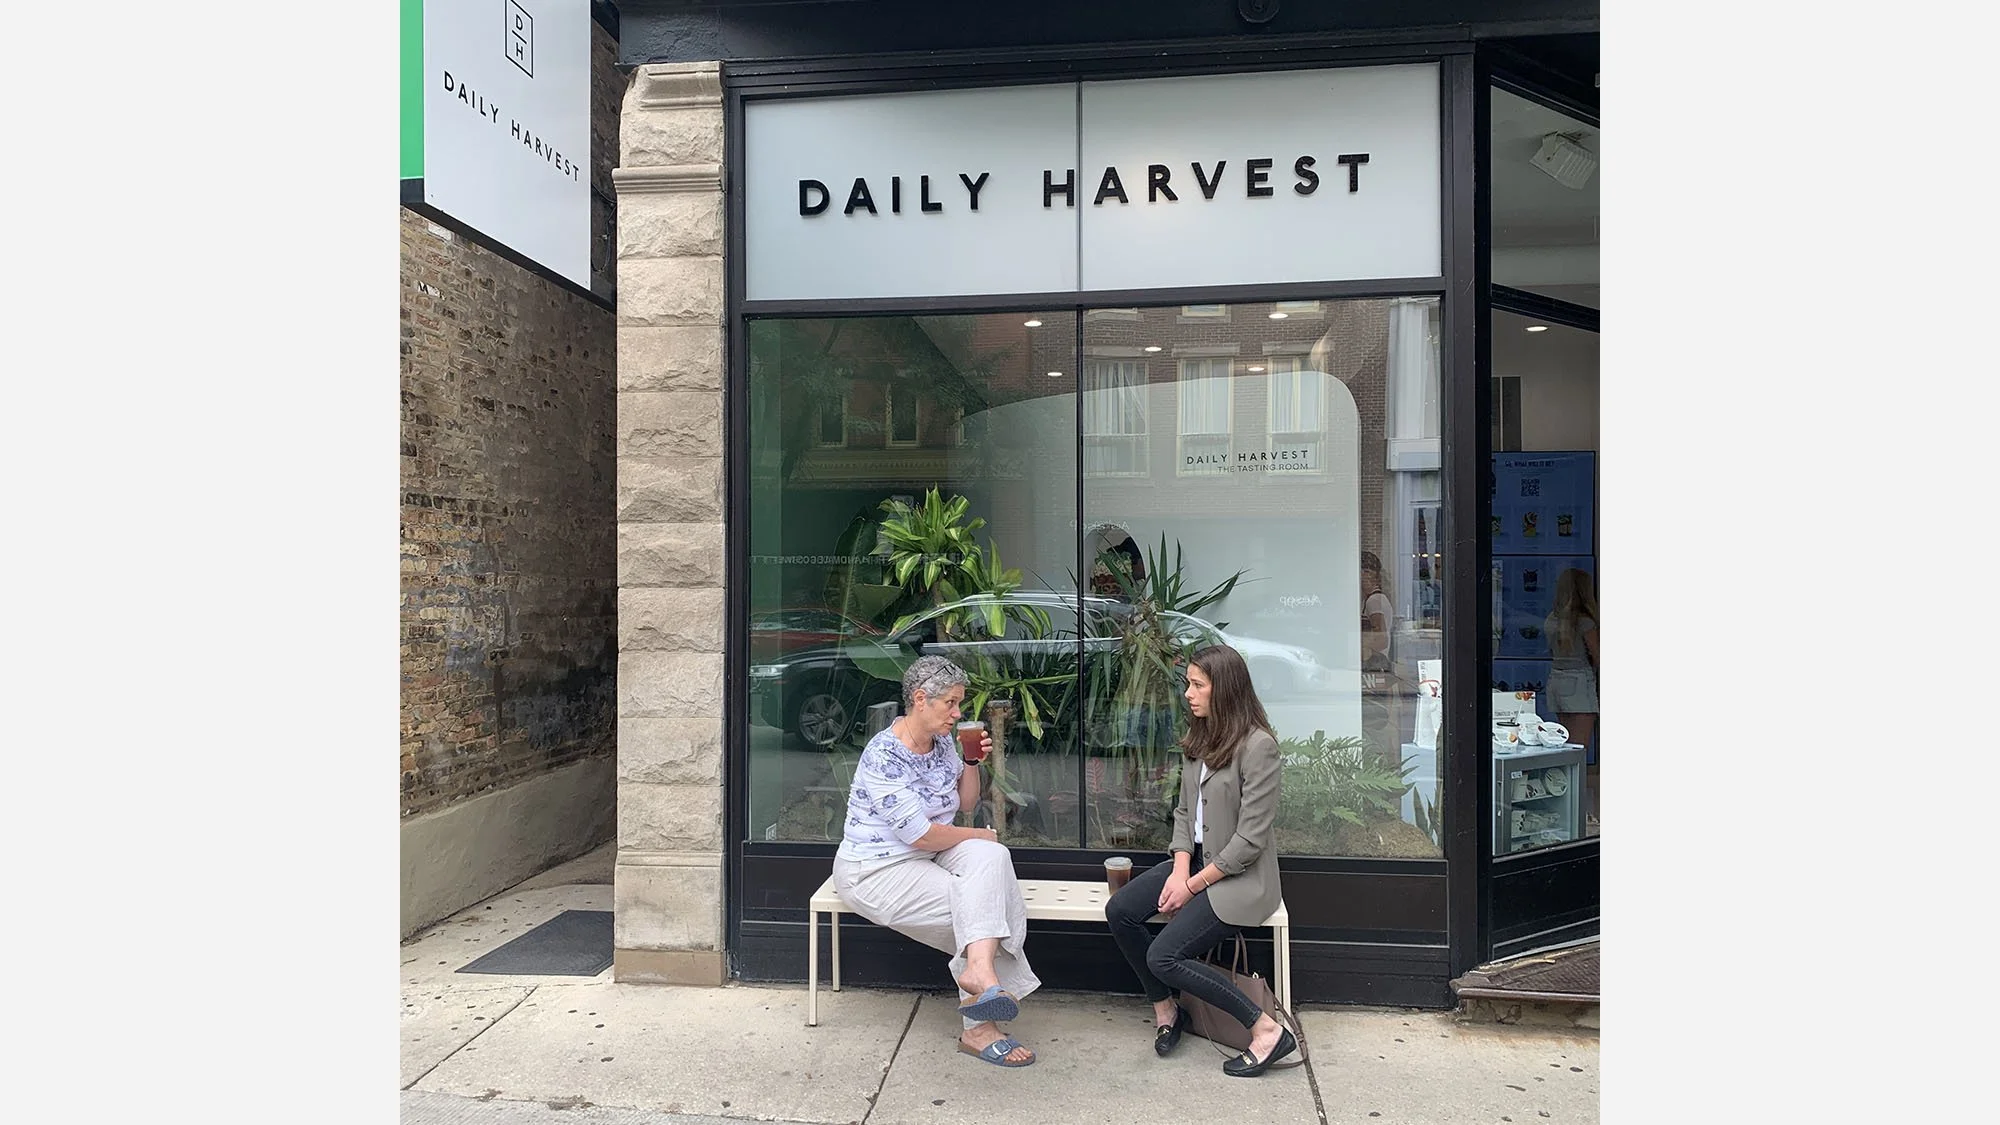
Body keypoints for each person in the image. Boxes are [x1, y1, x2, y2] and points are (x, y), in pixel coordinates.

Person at [831, 655, 1042, 1067]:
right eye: (951, 703)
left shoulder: (943, 742)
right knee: (982, 907)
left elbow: (966, 804)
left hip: (929, 854)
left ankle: (979, 971)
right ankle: (979, 1027)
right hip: (876, 870)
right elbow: (919, 833)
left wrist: (971, 763)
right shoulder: (884, 755)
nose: (958, 713)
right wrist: (977, 833)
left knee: (993, 855)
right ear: (920, 699)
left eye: (959, 703)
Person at [1103, 644, 1298, 1078]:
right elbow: (1184, 813)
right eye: (1188, 684)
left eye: (1198, 685)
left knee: (1164, 956)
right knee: (1121, 910)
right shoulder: (1200, 737)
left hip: (1242, 879)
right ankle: (1167, 1010)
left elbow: (1249, 841)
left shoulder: (1259, 747)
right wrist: (1178, 871)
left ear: (1224, 689)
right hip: (1195, 865)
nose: (1188, 694)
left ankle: (1266, 1030)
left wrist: (1190, 886)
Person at [1543, 568, 1600, 823]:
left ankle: (1563, 806)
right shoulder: (1586, 623)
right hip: (1579, 682)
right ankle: (1579, 812)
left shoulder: (1551, 619)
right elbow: (1599, 657)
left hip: (1557, 680)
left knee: (1566, 749)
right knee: (1579, 752)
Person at [1359, 550, 1398, 768]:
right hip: (1380, 663)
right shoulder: (1379, 599)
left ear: (1368, 574)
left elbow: (1381, 638)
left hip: (1374, 664)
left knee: (1374, 718)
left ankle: (1377, 762)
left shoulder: (1374, 601)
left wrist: (1358, 645)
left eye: (1362, 572)